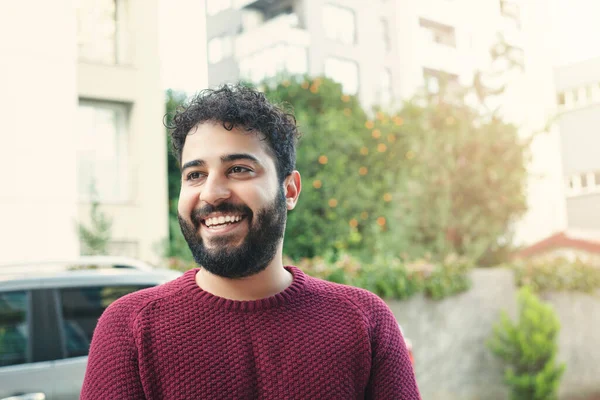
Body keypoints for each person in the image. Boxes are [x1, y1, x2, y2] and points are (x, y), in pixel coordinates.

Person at [81, 84, 421, 399]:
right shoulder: (129, 328)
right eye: (195, 175)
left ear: (289, 190)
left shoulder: (364, 321)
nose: (212, 193)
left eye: (239, 169)